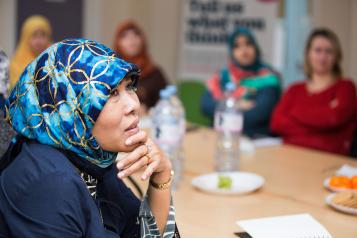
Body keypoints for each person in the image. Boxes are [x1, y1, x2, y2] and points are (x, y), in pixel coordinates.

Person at [0, 39, 176, 237]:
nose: (133, 105)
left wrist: (162, 175)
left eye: (129, 87)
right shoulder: (50, 184)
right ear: (70, 108)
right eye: (111, 93)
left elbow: (143, 234)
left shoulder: (92, 159)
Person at [270, 28, 357, 155]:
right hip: (289, 156)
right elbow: (276, 123)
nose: (322, 57)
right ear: (308, 54)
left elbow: (334, 118)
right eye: (317, 50)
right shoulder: (294, 89)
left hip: (329, 160)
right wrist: (322, 127)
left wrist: (295, 112)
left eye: (329, 51)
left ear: (336, 56)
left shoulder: (346, 87)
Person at [201, 27, 281, 138]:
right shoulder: (223, 76)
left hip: (255, 138)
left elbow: (259, 114)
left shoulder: (268, 78)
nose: (244, 50)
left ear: (255, 48)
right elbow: (206, 105)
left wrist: (225, 106)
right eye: (237, 46)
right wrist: (238, 104)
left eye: (248, 44)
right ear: (231, 52)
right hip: (221, 136)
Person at [113, 21, 168, 113]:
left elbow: (166, 102)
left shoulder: (154, 72)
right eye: (124, 36)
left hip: (148, 124)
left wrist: (149, 111)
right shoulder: (111, 71)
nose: (131, 39)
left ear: (142, 40)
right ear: (117, 42)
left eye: (135, 34)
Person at [9, 15, 52, 90]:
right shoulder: (15, 65)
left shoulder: (54, 61)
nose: (39, 41)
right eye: (34, 35)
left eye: (43, 35)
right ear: (25, 38)